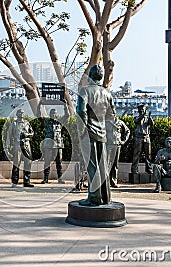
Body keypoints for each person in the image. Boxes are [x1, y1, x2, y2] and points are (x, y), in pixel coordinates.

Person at [76, 64, 115, 206]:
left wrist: (82, 130)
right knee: (103, 166)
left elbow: (81, 111)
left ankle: (94, 197)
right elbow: (111, 115)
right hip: (102, 132)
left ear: (90, 76)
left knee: (92, 166)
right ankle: (106, 197)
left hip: (89, 133)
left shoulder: (84, 91)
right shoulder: (107, 93)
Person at [38, 104, 69, 184]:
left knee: (59, 162)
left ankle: (60, 179)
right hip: (48, 145)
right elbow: (38, 116)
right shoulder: (47, 122)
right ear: (50, 114)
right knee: (47, 162)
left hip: (58, 144)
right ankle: (45, 179)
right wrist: (39, 105)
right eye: (52, 113)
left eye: (54, 113)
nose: (53, 115)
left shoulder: (59, 122)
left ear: (56, 114)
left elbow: (67, 115)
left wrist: (65, 106)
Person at [5, 109, 34, 187]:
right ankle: (14, 182)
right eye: (20, 112)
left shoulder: (27, 123)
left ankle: (27, 181)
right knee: (16, 164)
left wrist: (26, 135)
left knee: (28, 163)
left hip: (27, 145)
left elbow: (32, 133)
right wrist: (7, 148)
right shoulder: (14, 124)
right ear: (17, 114)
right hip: (17, 145)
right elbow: (9, 137)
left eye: (23, 113)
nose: (22, 114)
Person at [106, 116, 130, 188]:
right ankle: (105, 181)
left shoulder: (120, 122)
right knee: (106, 164)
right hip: (108, 144)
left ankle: (113, 181)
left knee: (115, 164)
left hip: (117, 144)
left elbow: (127, 131)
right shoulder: (106, 122)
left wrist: (123, 141)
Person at [131, 104, 154, 174]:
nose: (142, 110)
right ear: (138, 110)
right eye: (140, 109)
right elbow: (137, 121)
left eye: (143, 109)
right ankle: (134, 169)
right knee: (136, 154)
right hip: (139, 138)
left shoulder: (147, 118)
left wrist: (149, 117)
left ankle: (149, 169)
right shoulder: (136, 117)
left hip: (146, 137)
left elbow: (152, 124)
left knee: (148, 155)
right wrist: (143, 115)